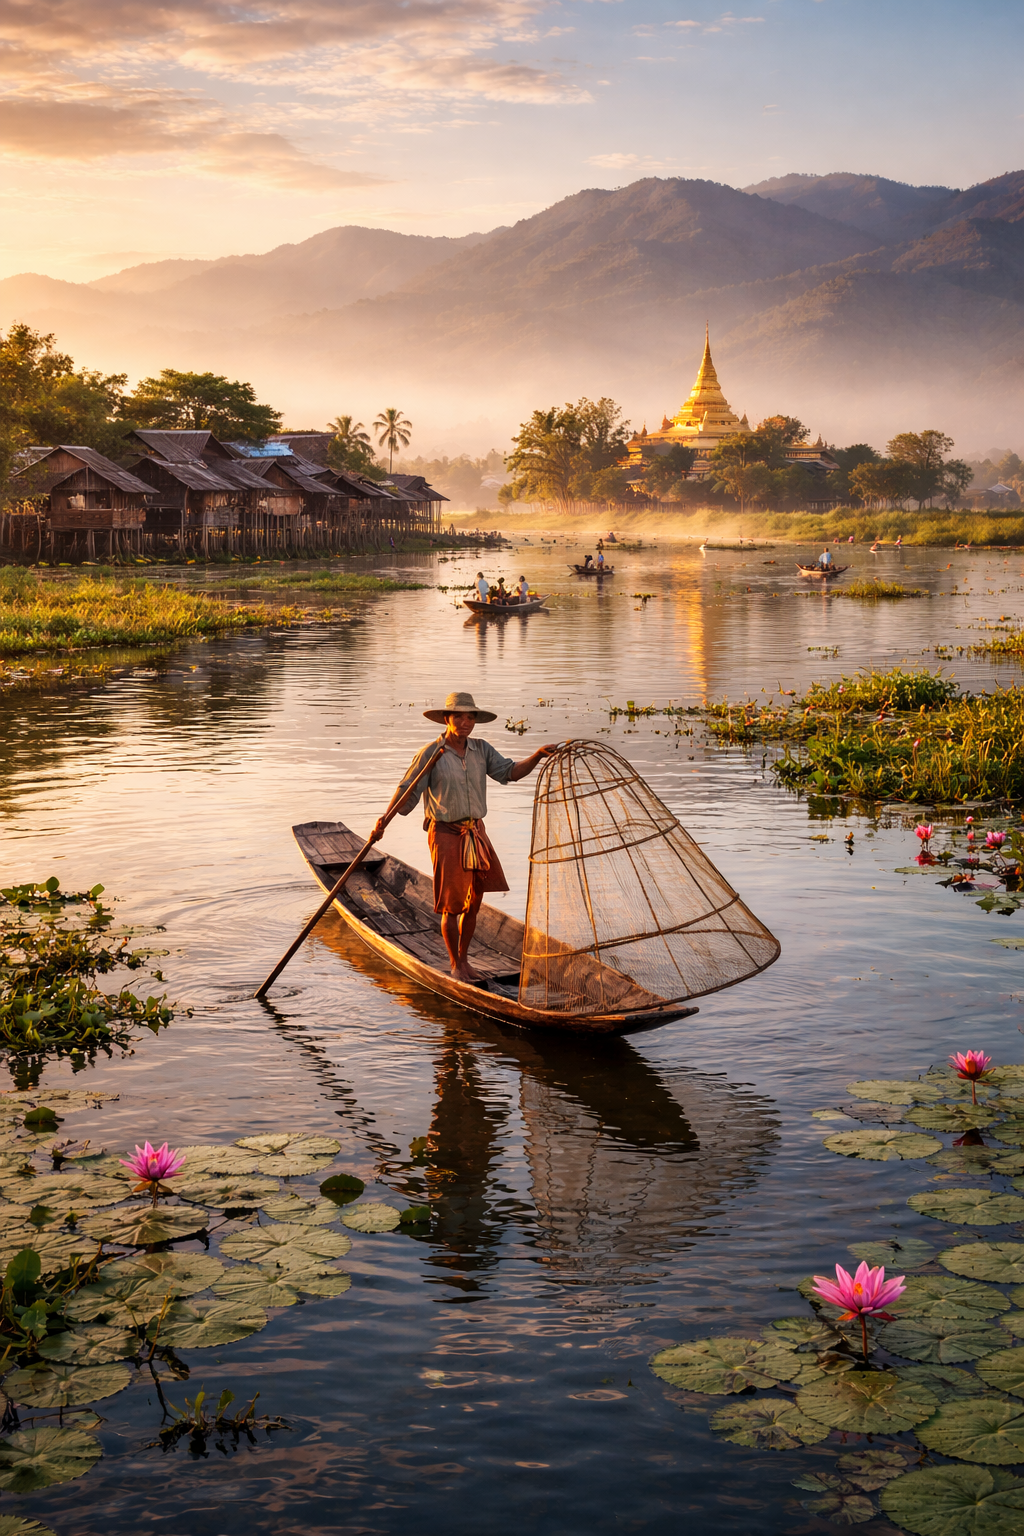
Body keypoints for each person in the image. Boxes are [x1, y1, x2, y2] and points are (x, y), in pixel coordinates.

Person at [373, 693, 557, 982]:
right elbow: (407, 789)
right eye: (458, 716)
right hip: (446, 832)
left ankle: (465, 959)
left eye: (470, 717)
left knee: (475, 899)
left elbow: (510, 772)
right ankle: (456, 964)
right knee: (452, 904)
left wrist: (536, 756)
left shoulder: (481, 750)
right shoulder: (432, 753)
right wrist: (384, 821)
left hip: (476, 831)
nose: (465, 722)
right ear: (447, 719)